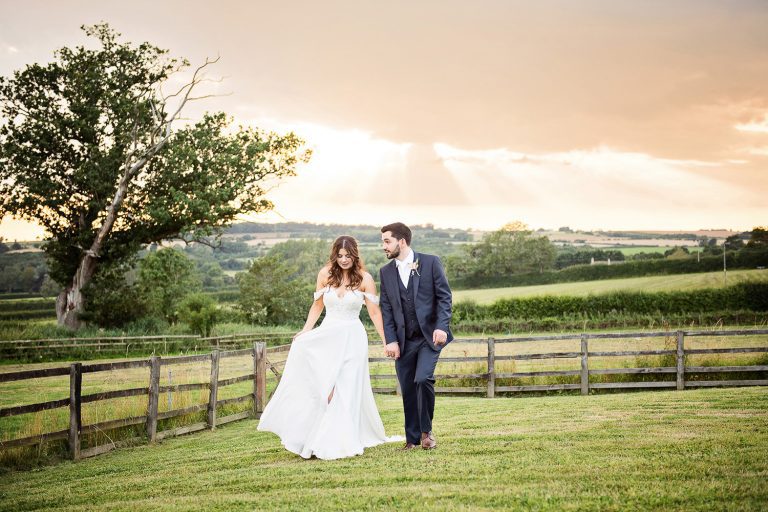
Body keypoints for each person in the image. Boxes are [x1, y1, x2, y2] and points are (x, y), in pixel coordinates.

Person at [257, 235, 403, 459]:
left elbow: (374, 313)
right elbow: (317, 306)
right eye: (340, 255)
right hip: (329, 335)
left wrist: (386, 341)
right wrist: (306, 330)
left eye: (348, 255)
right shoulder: (325, 275)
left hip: (353, 337)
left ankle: (344, 438)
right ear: (334, 255)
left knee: (348, 386)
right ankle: (317, 434)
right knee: (327, 387)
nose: (344, 260)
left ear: (355, 255)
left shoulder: (365, 278)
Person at [379, 222, 453, 450]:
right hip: (403, 340)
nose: (384, 246)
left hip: (429, 337)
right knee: (408, 388)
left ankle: (426, 432)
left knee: (423, 379)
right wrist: (390, 340)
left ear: (401, 241)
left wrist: (441, 326)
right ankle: (411, 439)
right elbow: (387, 308)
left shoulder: (430, 262)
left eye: (387, 241)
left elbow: (444, 297)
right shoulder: (385, 272)